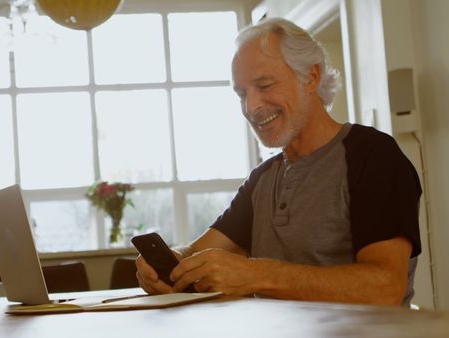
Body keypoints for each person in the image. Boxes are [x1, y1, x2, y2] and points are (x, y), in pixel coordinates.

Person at [135, 18, 422, 306]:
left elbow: (385, 287)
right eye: (242, 94)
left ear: (311, 77)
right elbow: (195, 253)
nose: (251, 107)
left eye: (264, 85)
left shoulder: (373, 155)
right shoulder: (263, 179)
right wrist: (172, 261)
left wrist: (255, 274)